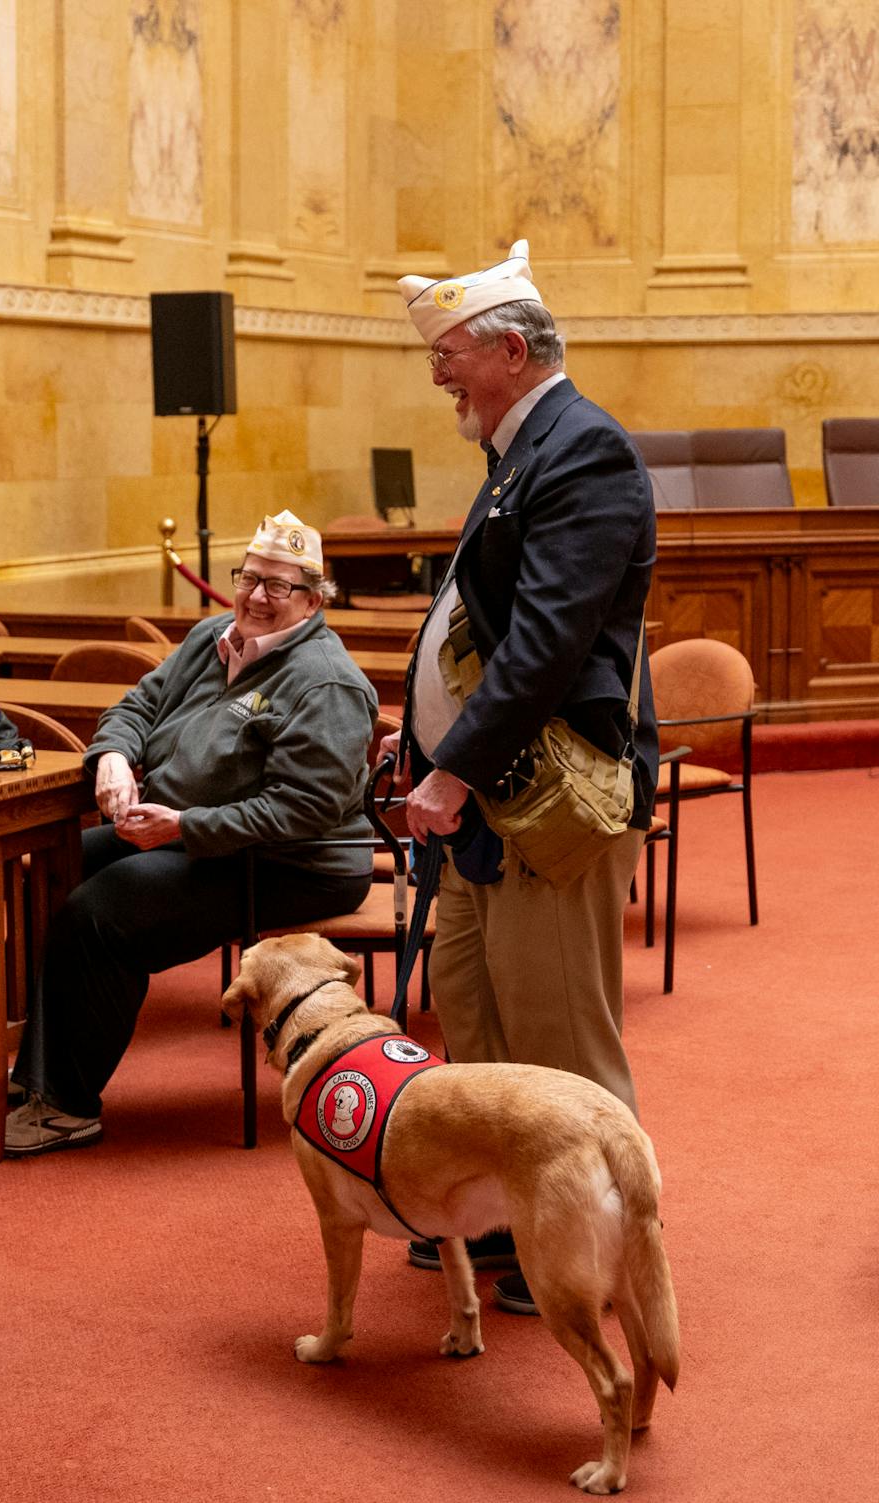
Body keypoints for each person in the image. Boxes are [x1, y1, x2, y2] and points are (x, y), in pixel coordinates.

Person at [382, 240, 659, 1314]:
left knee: (560, 1045)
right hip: (483, 805)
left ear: (510, 350)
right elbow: (479, 627)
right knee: (479, 1021)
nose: (437, 375)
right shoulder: (520, 451)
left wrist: (449, 770)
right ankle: (507, 1225)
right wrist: (420, 745)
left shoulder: (584, 450)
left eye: (447, 354)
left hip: (543, 804)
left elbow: (546, 646)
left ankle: (594, 1253)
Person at [5, 510, 378, 1156]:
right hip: (190, 832)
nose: (256, 596)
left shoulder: (326, 681)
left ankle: (65, 1104)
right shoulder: (213, 637)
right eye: (249, 578)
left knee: (104, 908)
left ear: (314, 602)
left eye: (279, 586)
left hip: (294, 861)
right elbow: (136, 706)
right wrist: (113, 756)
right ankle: (41, 1067)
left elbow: (305, 809)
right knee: (50, 867)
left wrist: (185, 825)